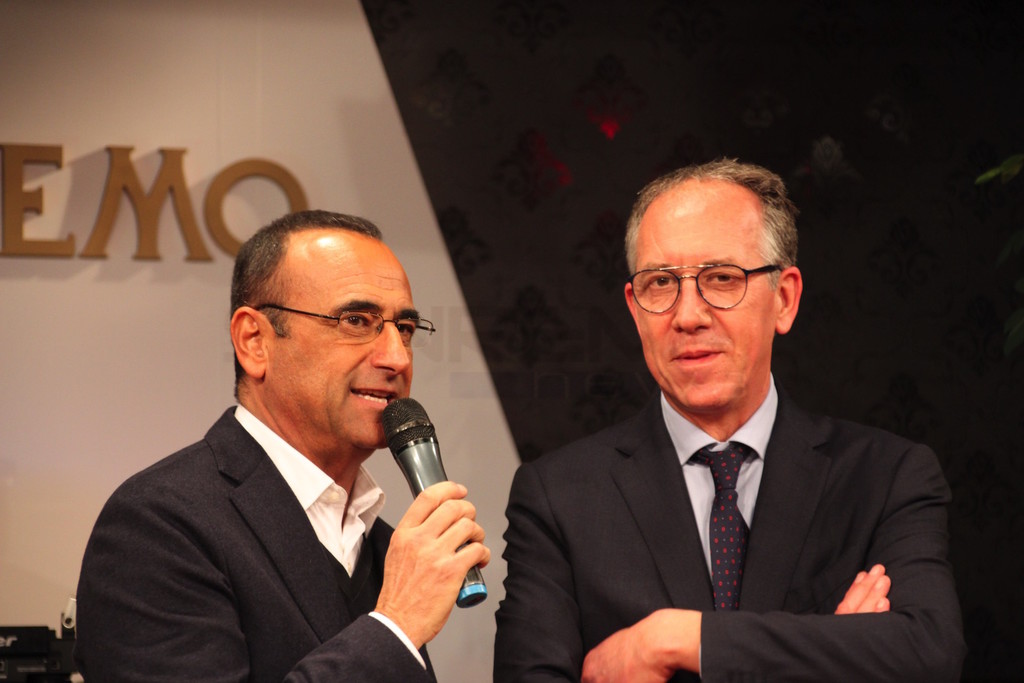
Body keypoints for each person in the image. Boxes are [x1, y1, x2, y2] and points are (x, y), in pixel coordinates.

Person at [493, 159, 965, 682]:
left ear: (784, 299)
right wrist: (830, 652)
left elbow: (928, 652)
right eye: (660, 283)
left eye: (721, 279)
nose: (688, 316)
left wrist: (675, 640)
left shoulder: (885, 477)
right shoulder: (559, 497)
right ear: (634, 308)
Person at [74, 210, 490, 682]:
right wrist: (396, 625)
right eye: (356, 320)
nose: (397, 357)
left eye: (406, 329)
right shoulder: (159, 525)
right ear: (254, 341)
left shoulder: (381, 544)